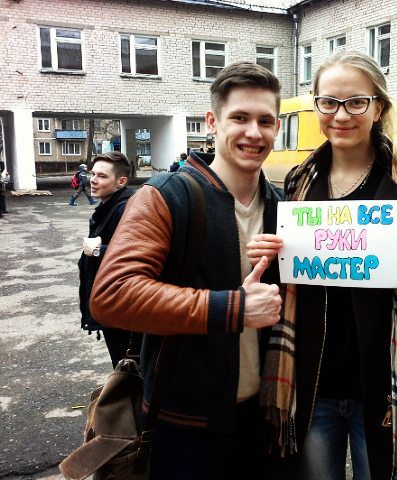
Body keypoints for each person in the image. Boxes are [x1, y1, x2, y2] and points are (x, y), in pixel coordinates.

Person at [251, 50, 397, 480]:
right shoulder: (300, 181)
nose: (341, 115)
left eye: (356, 102)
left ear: (378, 107)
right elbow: (295, 274)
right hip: (314, 382)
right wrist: (269, 254)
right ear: (316, 105)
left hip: (391, 386)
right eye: (329, 102)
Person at [90, 62, 283, 479]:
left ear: (277, 128)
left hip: (266, 414)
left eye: (265, 121)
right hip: (183, 423)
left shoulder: (284, 206)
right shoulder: (167, 195)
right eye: (240, 118)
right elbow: (112, 295)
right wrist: (232, 308)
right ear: (212, 122)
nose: (254, 132)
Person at [78, 152, 135, 368]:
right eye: (93, 174)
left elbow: (140, 253)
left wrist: (98, 251)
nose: (93, 180)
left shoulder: (125, 209)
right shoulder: (110, 206)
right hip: (113, 302)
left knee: (128, 368)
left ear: (121, 181)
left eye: (102, 176)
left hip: (122, 307)